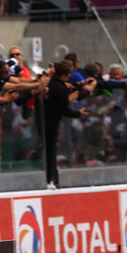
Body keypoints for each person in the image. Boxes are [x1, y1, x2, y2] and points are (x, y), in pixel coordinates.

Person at [43, 60, 89, 189]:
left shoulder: (50, 84)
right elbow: (65, 110)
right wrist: (78, 113)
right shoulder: (61, 89)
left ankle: (50, 178)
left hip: (44, 120)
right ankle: (51, 179)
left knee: (48, 150)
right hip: (52, 122)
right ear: (64, 74)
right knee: (51, 151)